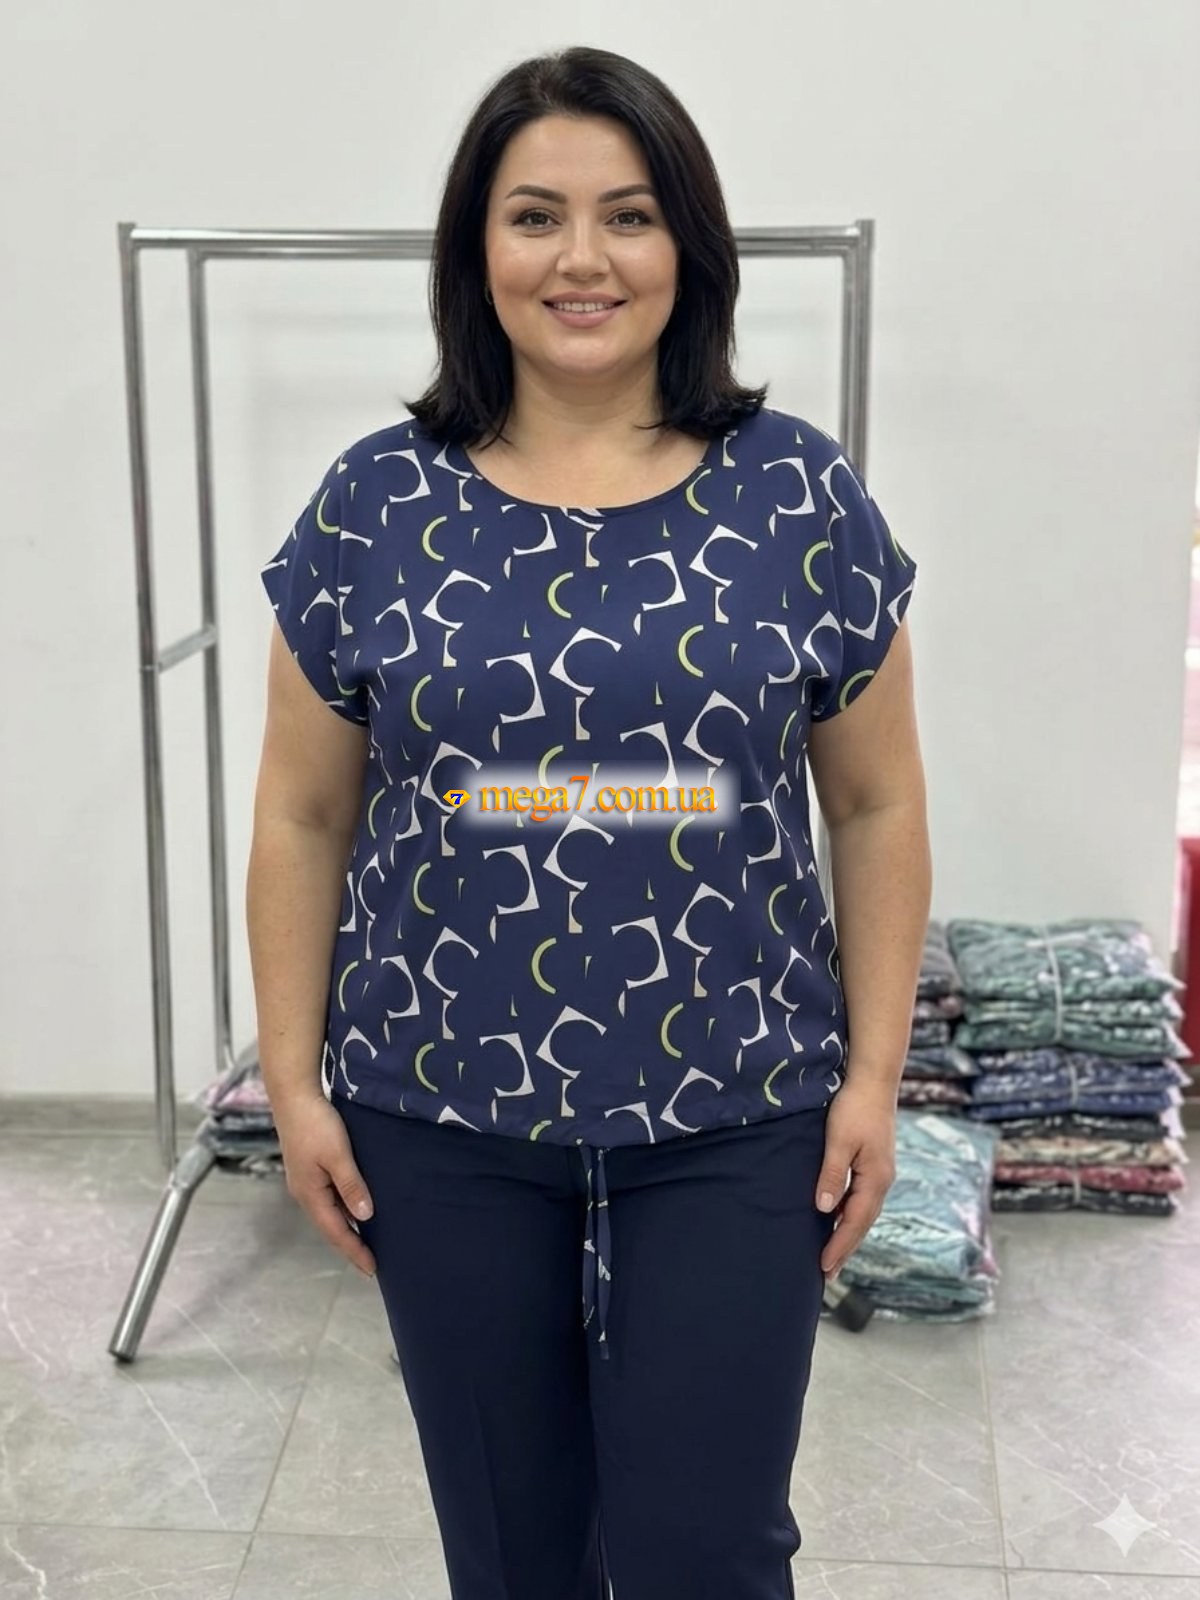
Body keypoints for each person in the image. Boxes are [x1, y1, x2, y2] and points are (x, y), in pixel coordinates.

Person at [246, 44, 930, 1600]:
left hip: (737, 1115)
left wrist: (876, 1077)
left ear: (687, 243)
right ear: (474, 249)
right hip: (442, 1118)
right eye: (534, 215)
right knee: (513, 1554)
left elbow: (877, 800)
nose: (582, 259)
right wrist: (294, 1085)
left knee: (710, 1551)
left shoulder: (798, 497)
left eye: (628, 214)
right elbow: (300, 813)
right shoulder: (375, 506)